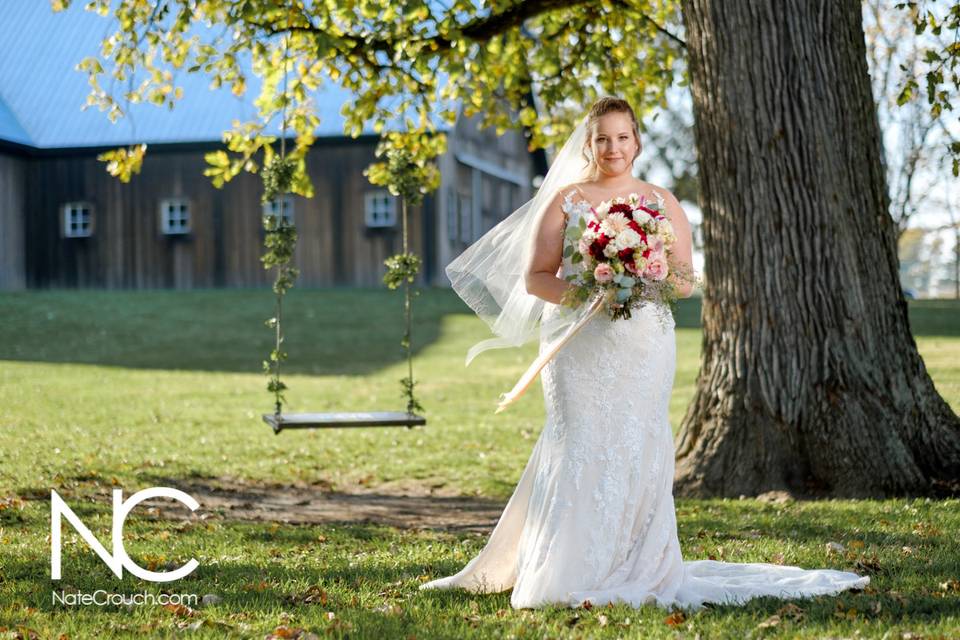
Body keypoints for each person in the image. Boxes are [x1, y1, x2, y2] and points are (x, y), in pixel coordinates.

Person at [421, 96, 869, 610]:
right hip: (579, 344)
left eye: (622, 137)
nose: (613, 148)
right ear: (589, 143)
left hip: (643, 342)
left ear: (637, 141)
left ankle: (638, 563)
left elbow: (684, 281)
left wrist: (642, 272)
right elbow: (535, 277)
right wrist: (589, 290)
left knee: (637, 444)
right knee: (582, 441)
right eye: (602, 138)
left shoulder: (661, 202)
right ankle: (566, 565)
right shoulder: (567, 200)